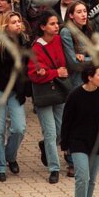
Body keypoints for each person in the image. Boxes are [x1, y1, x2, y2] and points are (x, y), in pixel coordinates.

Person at [0, 11, 29, 182]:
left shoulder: (25, 41)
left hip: (16, 90)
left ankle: (10, 156)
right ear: (6, 25)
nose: (17, 24)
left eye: (19, 21)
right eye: (13, 21)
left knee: (19, 128)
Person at [61, 65, 99, 197]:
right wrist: (64, 144)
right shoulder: (75, 95)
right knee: (82, 178)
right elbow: (66, 121)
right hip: (78, 141)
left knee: (91, 179)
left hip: (98, 142)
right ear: (89, 77)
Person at [29, 10, 68, 184]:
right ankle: (54, 168)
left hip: (59, 91)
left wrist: (51, 72)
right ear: (43, 27)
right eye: (52, 24)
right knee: (51, 133)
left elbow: (64, 62)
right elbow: (34, 74)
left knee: (60, 131)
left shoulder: (59, 40)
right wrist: (55, 72)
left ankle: (45, 146)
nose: (56, 26)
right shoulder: (36, 48)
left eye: (57, 23)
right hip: (44, 94)